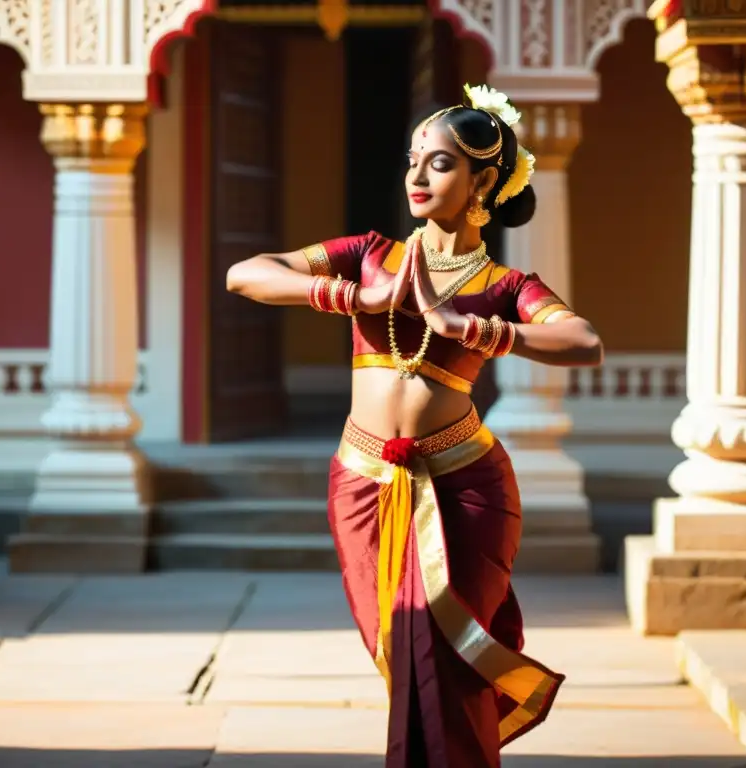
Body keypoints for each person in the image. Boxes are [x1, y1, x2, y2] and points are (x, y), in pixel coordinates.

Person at [226, 84, 604, 767]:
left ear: (484, 180)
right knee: (404, 650)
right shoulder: (372, 256)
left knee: (448, 658)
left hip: (465, 485)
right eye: (413, 160)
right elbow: (245, 274)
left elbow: (584, 341)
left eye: (440, 163)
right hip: (365, 479)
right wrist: (350, 296)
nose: (417, 176)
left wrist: (481, 329)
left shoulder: (507, 284)